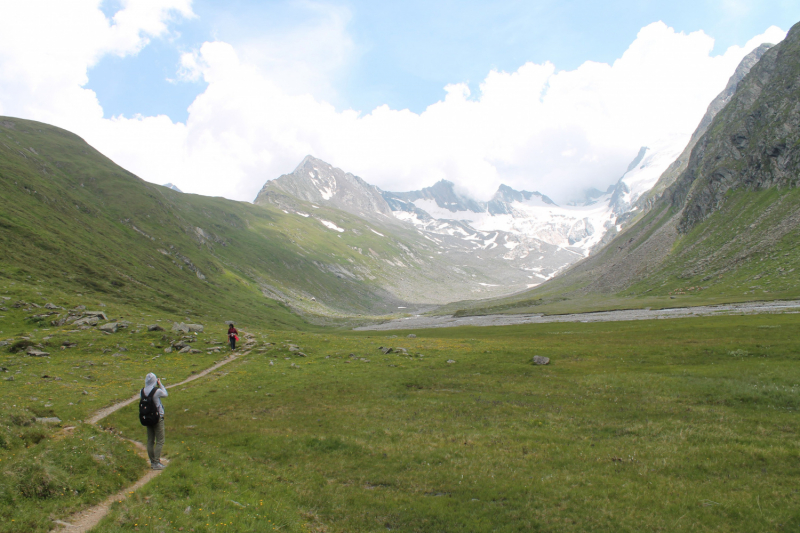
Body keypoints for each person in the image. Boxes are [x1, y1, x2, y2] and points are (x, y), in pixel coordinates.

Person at [142, 373, 168, 470]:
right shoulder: (156, 391)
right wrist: (160, 384)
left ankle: (152, 461)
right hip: (157, 417)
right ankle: (156, 462)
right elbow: (165, 394)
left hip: (147, 418)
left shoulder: (142, 391)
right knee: (160, 440)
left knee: (150, 440)